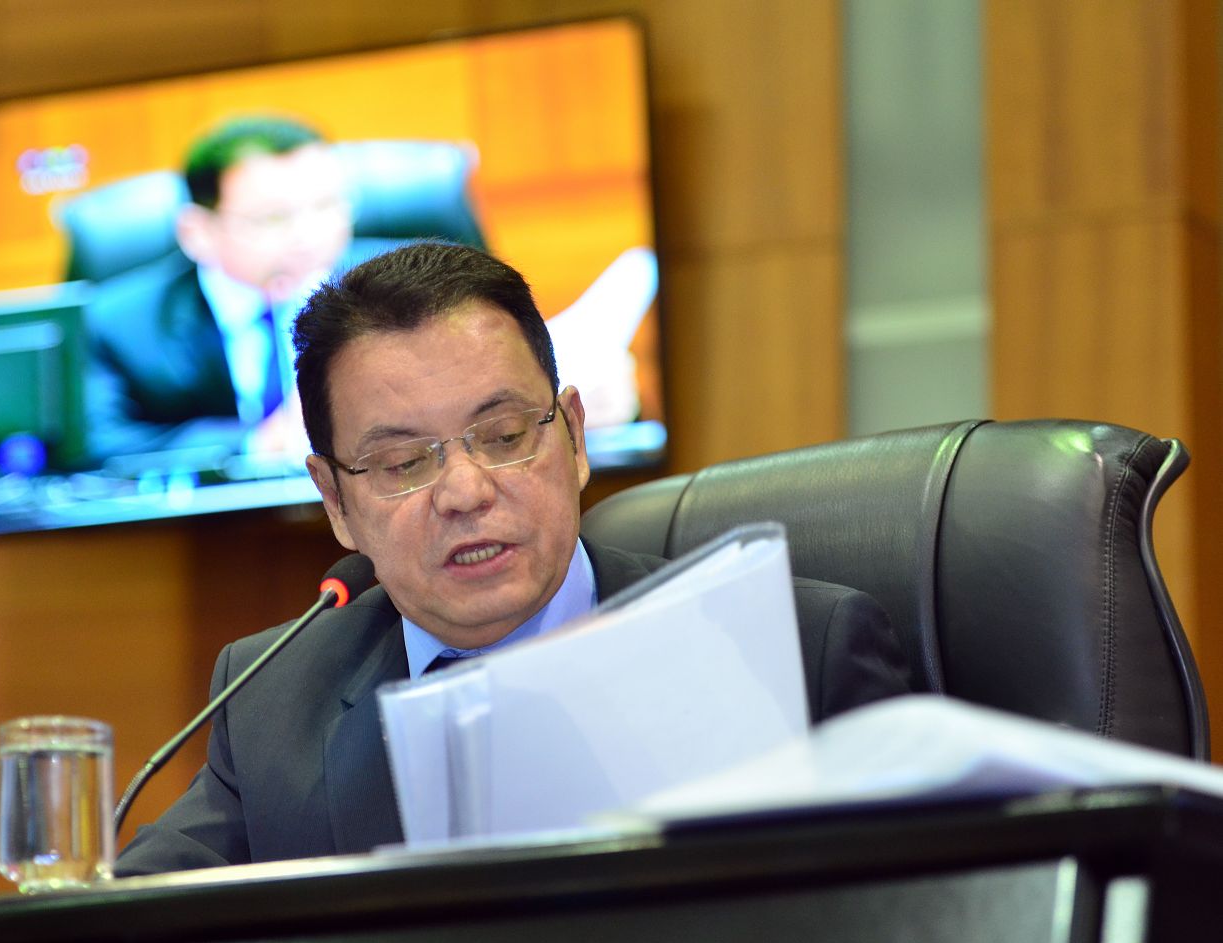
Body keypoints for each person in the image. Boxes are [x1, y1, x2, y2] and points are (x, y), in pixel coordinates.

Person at [114, 242, 911, 874]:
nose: (465, 491)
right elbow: (122, 933)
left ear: (575, 438)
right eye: (403, 463)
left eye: (503, 437)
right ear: (336, 503)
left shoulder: (795, 653)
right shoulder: (273, 701)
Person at [81, 116, 355, 461]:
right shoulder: (117, 325)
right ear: (197, 232)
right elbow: (99, 446)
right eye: (273, 217)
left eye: (326, 206)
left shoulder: (394, 291)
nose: (309, 235)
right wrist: (257, 445)